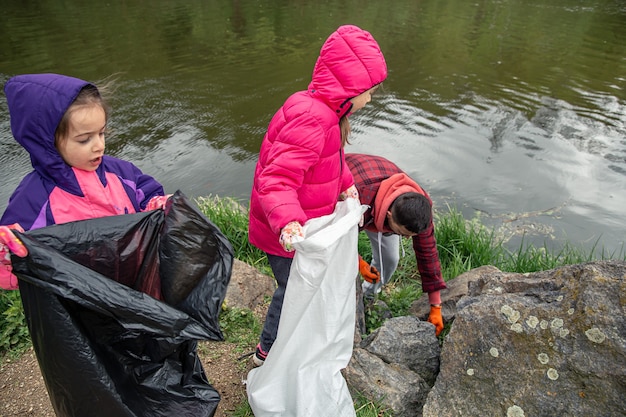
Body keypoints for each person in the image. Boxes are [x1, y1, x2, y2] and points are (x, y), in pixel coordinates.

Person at [248, 25, 387, 366]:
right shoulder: (313, 119)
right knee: (291, 290)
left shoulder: (325, 112)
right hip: (284, 232)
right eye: (367, 91)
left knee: (300, 287)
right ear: (347, 88)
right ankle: (268, 352)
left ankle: (292, 343)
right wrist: (288, 222)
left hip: (300, 223)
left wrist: (345, 184)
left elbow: (327, 161)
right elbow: (277, 178)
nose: (369, 99)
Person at [0, 73, 168, 292]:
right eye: (84, 139)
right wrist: (7, 254)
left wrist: (159, 204)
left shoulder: (120, 172)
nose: (99, 146)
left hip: (138, 279)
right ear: (48, 144)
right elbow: (15, 267)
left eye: (101, 133)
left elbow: (147, 194)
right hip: (82, 300)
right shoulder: (33, 199)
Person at [346, 152, 447, 335]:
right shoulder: (359, 194)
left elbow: (428, 255)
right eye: (402, 233)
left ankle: (368, 296)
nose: (407, 239)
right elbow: (340, 237)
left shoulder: (421, 208)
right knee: (343, 263)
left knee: (391, 259)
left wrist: (436, 306)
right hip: (354, 188)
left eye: (410, 235)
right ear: (390, 216)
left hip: (383, 200)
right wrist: (359, 262)